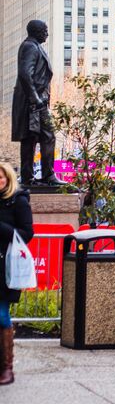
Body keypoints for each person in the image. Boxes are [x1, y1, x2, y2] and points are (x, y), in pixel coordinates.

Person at [11, 20, 60, 186]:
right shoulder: (30, 47)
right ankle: (42, 176)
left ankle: (35, 176)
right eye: (45, 30)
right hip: (33, 101)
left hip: (37, 100)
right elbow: (25, 74)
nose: (47, 33)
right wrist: (35, 99)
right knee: (40, 136)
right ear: (37, 32)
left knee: (35, 137)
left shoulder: (35, 46)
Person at [0, 161, 32, 385]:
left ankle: (6, 367)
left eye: (0, 177)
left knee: (1, 314)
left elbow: (26, 233)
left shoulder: (18, 202)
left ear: (8, 179)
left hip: (4, 267)